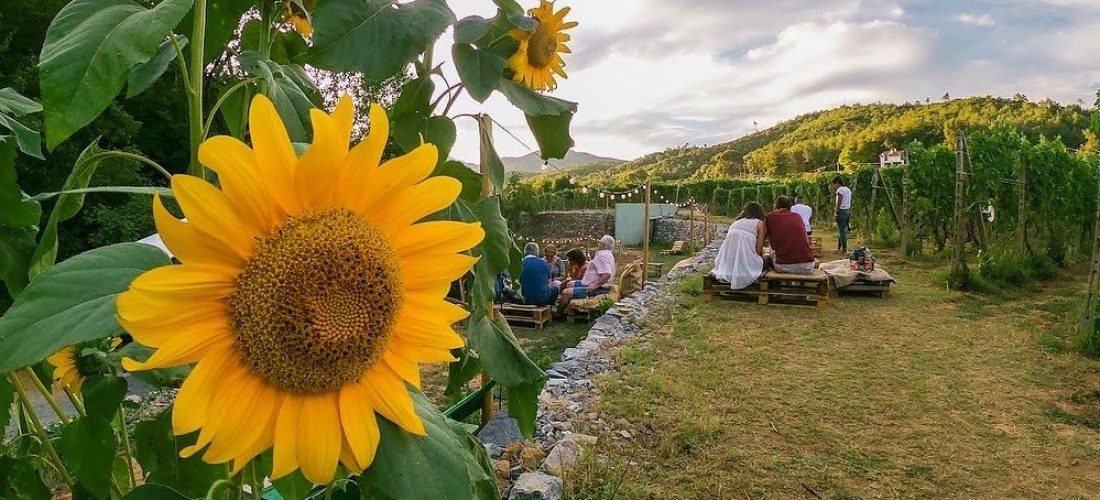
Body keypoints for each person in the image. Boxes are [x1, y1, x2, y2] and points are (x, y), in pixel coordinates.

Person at [712, 202, 766, 289]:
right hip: (746, 263)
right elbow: (758, 250)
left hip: (727, 263)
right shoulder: (759, 223)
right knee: (767, 259)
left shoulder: (736, 223)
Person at [558, 235, 616, 306]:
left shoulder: (603, 255)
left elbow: (607, 274)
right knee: (570, 284)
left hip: (600, 288)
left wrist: (595, 285)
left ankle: (559, 313)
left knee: (565, 292)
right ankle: (567, 307)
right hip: (589, 282)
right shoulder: (607, 254)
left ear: (603, 244)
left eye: (600, 242)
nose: (598, 244)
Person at [765, 195, 816, 274]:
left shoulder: (769, 217)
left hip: (784, 266)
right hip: (808, 266)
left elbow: (773, 246)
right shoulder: (797, 216)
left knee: (770, 253)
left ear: (775, 207)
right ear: (790, 207)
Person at [832, 176, 852, 254]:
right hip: (847, 210)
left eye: (834, 184)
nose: (834, 186)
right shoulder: (848, 189)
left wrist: (836, 212)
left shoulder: (840, 190)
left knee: (842, 231)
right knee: (842, 229)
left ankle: (844, 249)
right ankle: (839, 248)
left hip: (841, 211)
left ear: (837, 182)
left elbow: (839, 202)